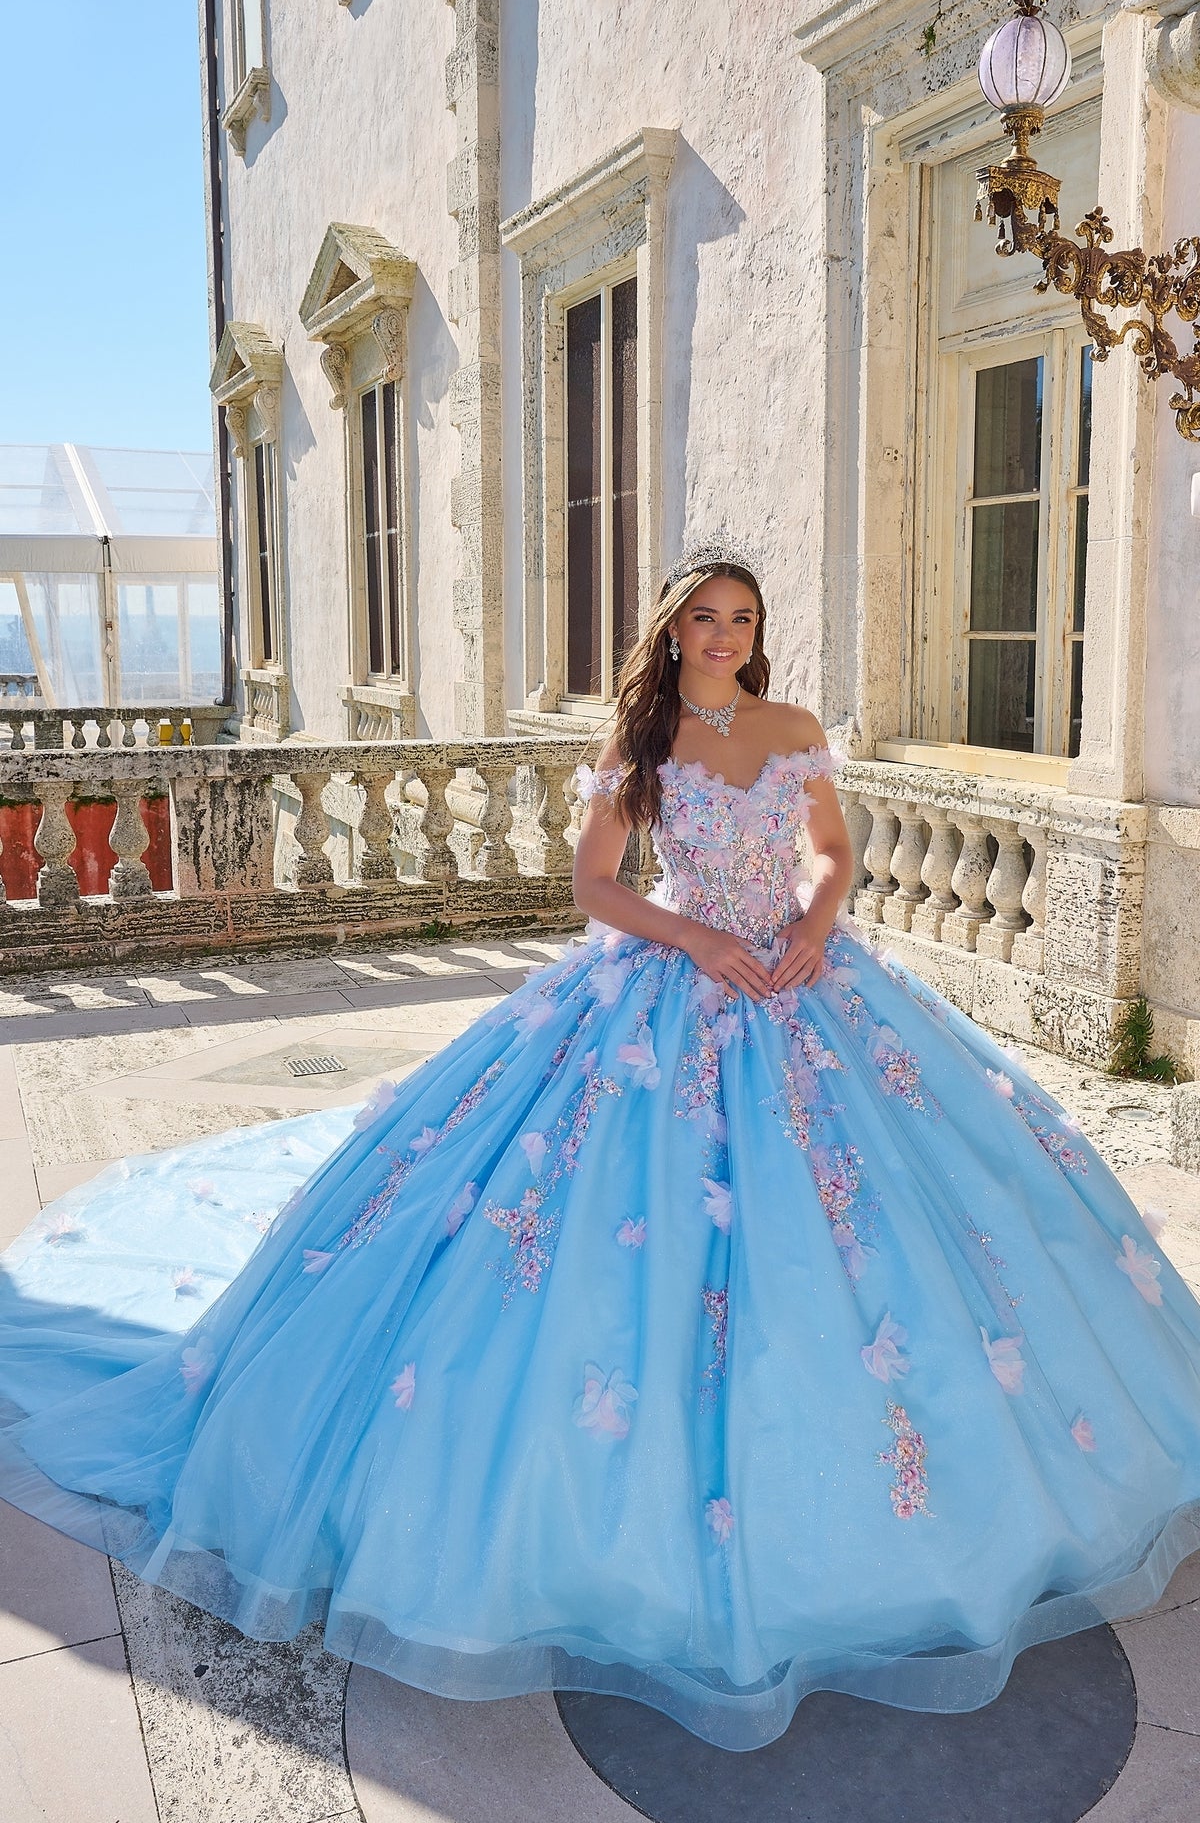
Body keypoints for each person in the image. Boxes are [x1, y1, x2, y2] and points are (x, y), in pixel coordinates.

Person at [1, 538, 1199, 1755]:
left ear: (755, 630)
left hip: (804, 977)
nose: (724, 634)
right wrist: (699, 941)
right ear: (674, 630)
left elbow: (831, 849)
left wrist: (815, 919)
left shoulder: (792, 725)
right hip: (671, 985)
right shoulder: (642, 743)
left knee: (916, 1222)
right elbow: (597, 887)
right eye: (706, 618)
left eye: (742, 616)